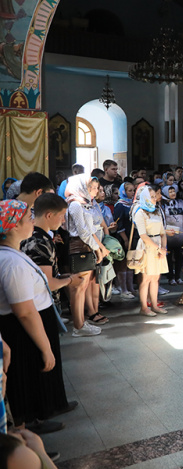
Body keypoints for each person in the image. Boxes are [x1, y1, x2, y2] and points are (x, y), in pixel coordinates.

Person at [0, 199, 72, 430]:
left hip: (27, 324)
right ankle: (25, 428)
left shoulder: (13, 254)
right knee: (27, 377)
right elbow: (25, 312)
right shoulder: (11, 262)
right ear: (13, 226)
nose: (32, 221)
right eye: (27, 219)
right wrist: (45, 347)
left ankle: (33, 420)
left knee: (31, 376)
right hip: (22, 329)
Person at [65, 174, 108, 336]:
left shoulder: (84, 203)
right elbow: (83, 232)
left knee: (82, 288)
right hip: (80, 246)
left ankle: (81, 322)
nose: (94, 191)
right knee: (79, 288)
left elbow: (90, 230)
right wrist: (98, 248)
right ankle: (78, 326)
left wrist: (98, 247)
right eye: (90, 186)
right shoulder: (75, 205)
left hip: (87, 246)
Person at [131, 185, 168, 316]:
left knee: (155, 277)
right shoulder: (140, 212)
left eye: (154, 197)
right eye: (151, 197)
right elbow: (143, 235)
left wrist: (163, 248)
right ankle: (144, 307)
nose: (154, 199)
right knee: (146, 278)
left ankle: (154, 303)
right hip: (147, 246)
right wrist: (157, 247)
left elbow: (163, 232)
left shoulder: (156, 211)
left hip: (158, 244)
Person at [162, 185, 183, 285]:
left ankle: (178, 276)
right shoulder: (163, 205)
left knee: (179, 256)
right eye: (170, 191)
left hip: (179, 233)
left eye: (174, 191)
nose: (173, 193)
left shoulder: (180, 203)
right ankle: (170, 277)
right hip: (167, 234)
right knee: (168, 257)